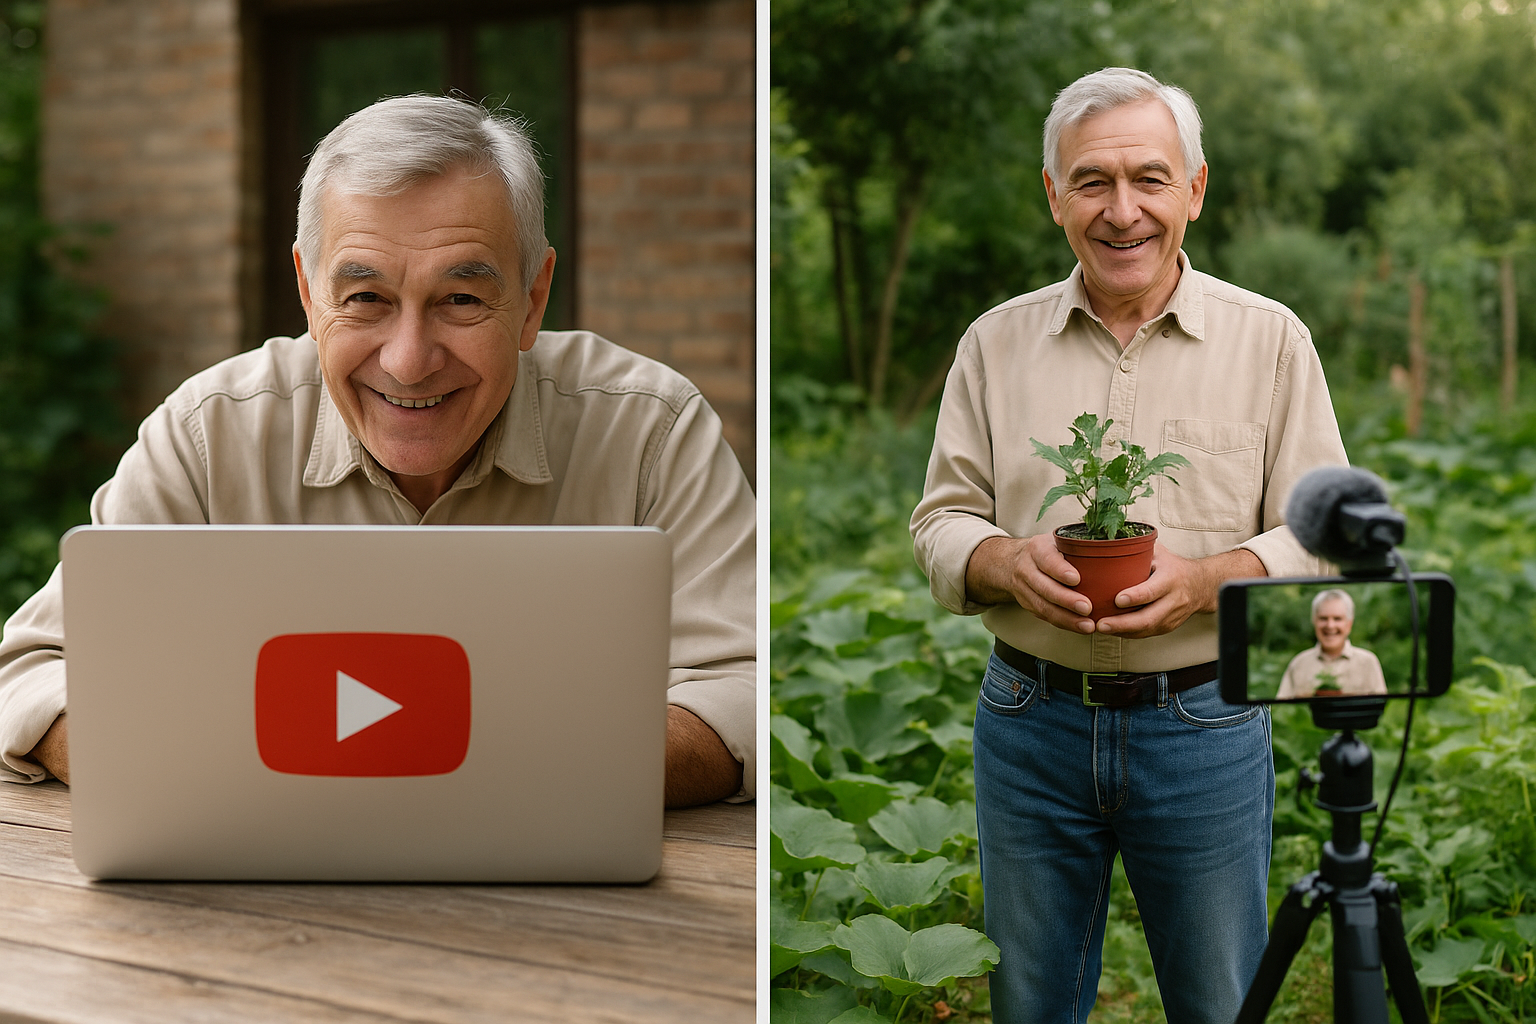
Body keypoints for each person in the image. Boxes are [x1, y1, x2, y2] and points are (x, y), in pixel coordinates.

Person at [0, 96, 754, 808]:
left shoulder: (653, 430)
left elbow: (743, 695)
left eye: (461, 299)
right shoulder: (207, 435)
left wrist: (436, 766)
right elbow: (32, 676)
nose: (408, 360)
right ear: (307, 290)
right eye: (366, 299)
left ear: (531, 299)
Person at [909, 68, 1349, 1022]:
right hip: (1029, 721)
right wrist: (1000, 561)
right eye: (1092, 182)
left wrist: (1211, 579)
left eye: (1150, 179)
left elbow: (1321, 532)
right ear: (1053, 195)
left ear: (1194, 189)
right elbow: (942, 519)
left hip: (1205, 726)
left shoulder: (1270, 341)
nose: (1123, 212)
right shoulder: (994, 344)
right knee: (1029, 1000)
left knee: (1219, 1000)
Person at [1276, 590, 1387, 698]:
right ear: (1314, 621)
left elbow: (1380, 709)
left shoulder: (1368, 663)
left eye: (1337, 619)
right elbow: (1283, 710)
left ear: (1349, 624)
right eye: (1323, 618)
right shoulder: (1299, 664)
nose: (1330, 625)